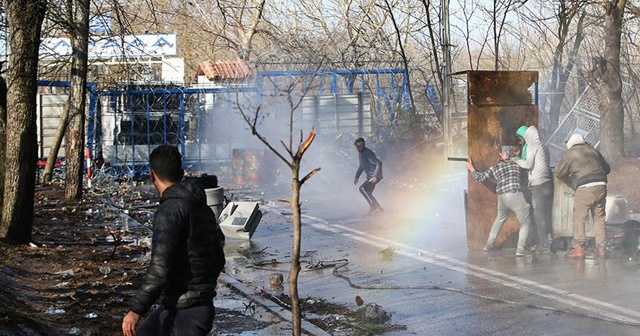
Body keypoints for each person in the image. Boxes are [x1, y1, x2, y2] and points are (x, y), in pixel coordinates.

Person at [122, 145, 226, 336]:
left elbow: (159, 269)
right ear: (181, 172)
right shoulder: (202, 207)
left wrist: (136, 311)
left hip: (185, 312)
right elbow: (219, 255)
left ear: (152, 175)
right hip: (193, 307)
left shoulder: (169, 211)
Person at [466, 146, 532, 257]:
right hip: (515, 195)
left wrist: (471, 168)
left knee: (500, 220)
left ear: (501, 154)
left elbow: (480, 177)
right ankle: (520, 249)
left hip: (502, 197)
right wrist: (518, 155)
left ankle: (488, 245)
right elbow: (526, 165)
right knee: (525, 222)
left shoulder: (495, 167)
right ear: (510, 153)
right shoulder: (516, 164)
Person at [555, 133, 610, 259]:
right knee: (599, 217)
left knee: (579, 217)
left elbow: (559, 173)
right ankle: (602, 249)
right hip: (601, 185)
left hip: (585, 186)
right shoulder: (593, 151)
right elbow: (607, 168)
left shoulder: (570, 153)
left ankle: (579, 248)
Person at [512, 125, 555, 254]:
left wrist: (516, 160)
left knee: (539, 215)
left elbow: (528, 164)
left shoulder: (532, 145)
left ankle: (544, 245)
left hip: (539, 186)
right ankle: (549, 240)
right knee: (547, 214)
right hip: (547, 183)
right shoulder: (543, 146)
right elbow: (539, 167)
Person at [353, 137, 384, 214]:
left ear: (364, 145)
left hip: (375, 176)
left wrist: (375, 176)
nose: (359, 148)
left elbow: (379, 163)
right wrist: (357, 176)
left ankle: (374, 207)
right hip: (370, 176)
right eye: (357, 146)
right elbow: (361, 166)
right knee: (368, 192)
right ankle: (379, 209)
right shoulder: (361, 153)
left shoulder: (368, 153)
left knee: (362, 189)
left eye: (360, 146)